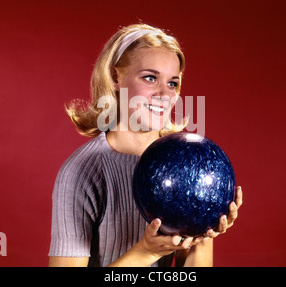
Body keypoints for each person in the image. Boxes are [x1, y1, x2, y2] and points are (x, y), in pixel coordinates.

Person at [48, 24, 243, 267]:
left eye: (173, 83)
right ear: (115, 77)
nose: (165, 93)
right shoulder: (83, 170)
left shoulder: (187, 161)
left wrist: (203, 229)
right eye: (150, 78)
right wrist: (147, 252)